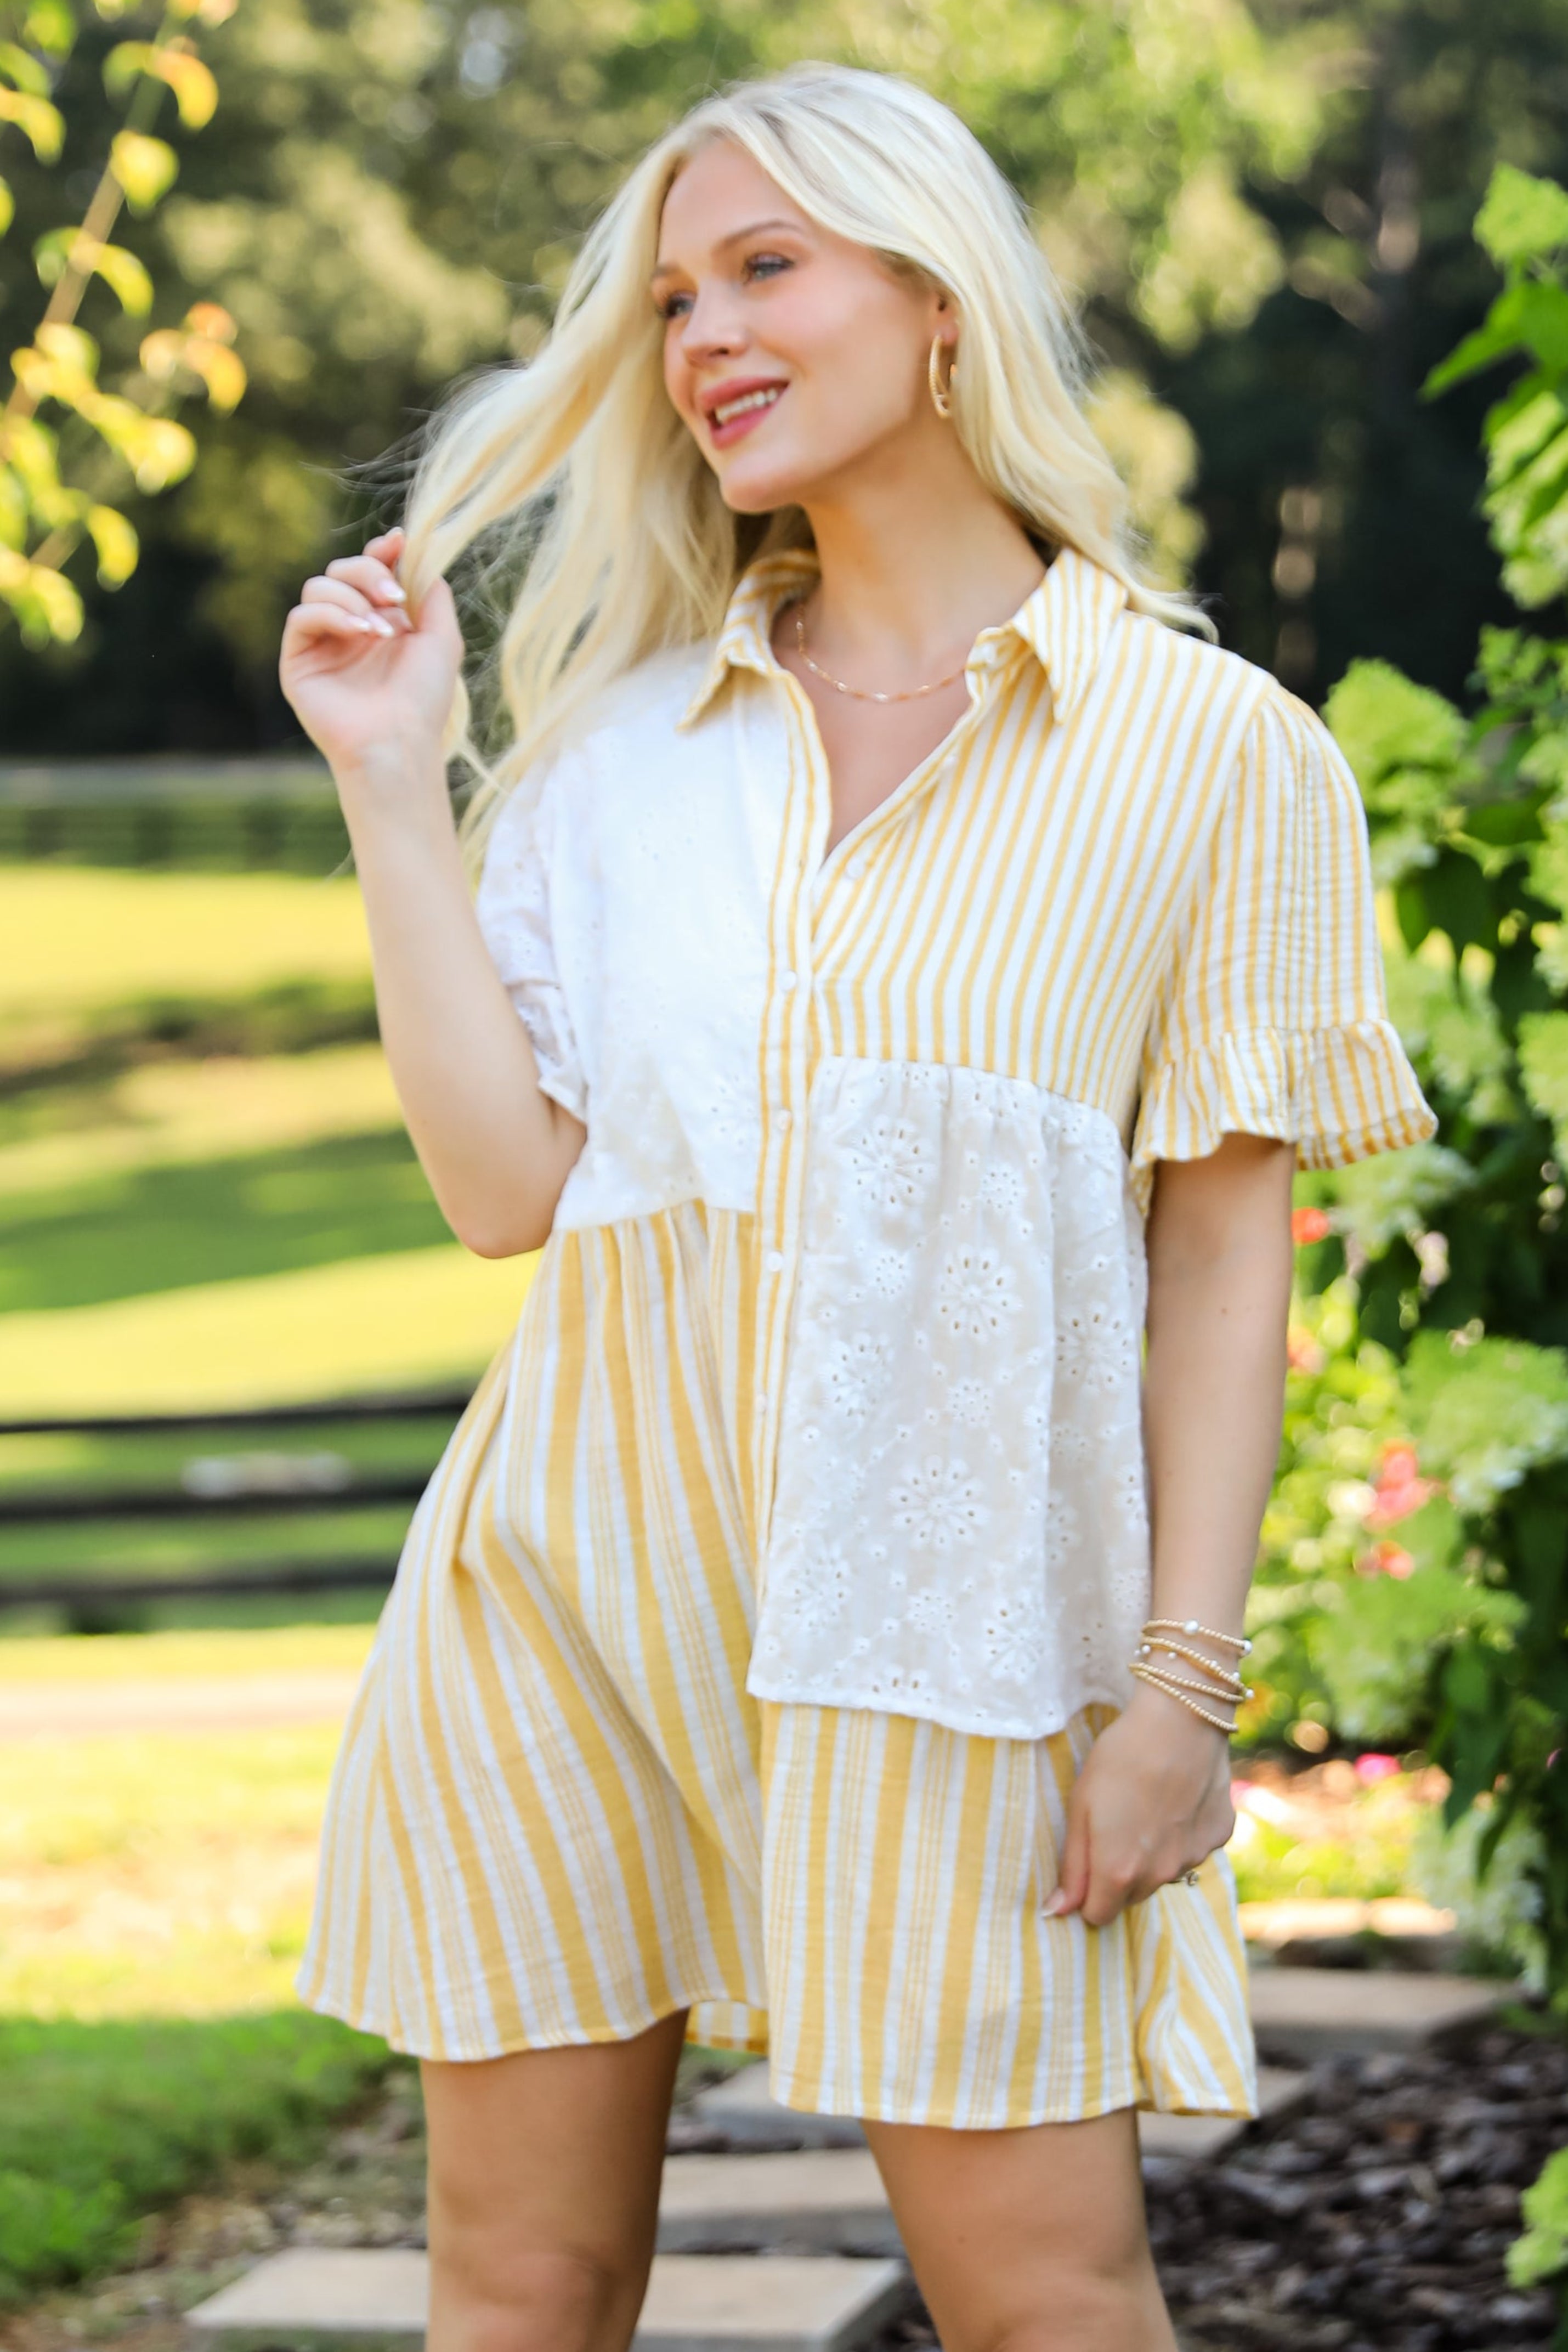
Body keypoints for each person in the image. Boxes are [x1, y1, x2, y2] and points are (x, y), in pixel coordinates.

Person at [279, 61, 1436, 2352]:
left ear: (937, 298)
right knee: (518, 2282)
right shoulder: (623, 750)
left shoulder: (1207, 753)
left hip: (954, 1631)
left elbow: (1223, 1261)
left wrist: (1182, 1695)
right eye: (671, 299)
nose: (701, 334)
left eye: (762, 268)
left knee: (1044, 2296)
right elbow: (505, 1196)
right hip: (563, 1604)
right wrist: (393, 782)